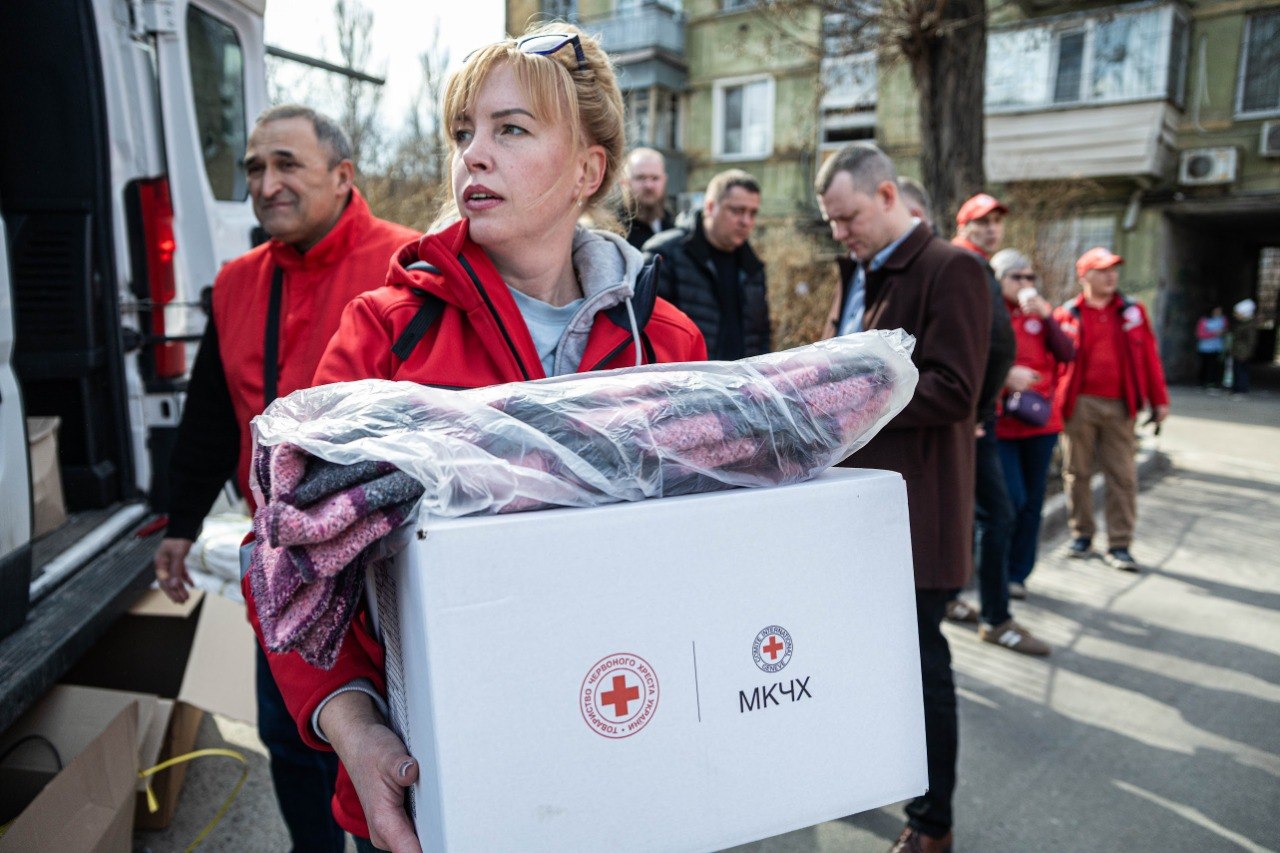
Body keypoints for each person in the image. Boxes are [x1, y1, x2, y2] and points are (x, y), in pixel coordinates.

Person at [245, 26, 706, 853]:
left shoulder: (667, 345)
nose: (474, 156)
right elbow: (284, 555)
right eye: (464, 132)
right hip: (441, 784)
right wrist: (354, 730)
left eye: (511, 130)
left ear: (588, 171)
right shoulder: (386, 335)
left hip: (623, 750)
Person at [152, 105, 420, 852]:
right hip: (278, 581)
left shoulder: (412, 266)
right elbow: (212, 416)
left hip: (384, 582)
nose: (267, 184)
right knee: (293, 751)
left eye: (286, 165)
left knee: (393, 774)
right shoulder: (237, 283)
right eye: (254, 169)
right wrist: (179, 524)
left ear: (342, 177)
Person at [816, 142, 990, 853]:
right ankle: (868, 778)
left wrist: (847, 390)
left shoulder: (952, 268)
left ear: (888, 196)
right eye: (829, 222)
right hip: (858, 511)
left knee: (922, 668)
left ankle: (931, 821)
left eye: (848, 216)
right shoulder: (859, 269)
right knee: (868, 665)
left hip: (917, 517)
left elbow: (954, 387)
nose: (840, 232)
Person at [1055, 248, 1169, 571]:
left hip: (1120, 405)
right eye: (1102, 270)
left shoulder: (1132, 312)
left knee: (1122, 475)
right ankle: (1082, 535)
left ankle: (1119, 544)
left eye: (1114, 270)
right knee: (1077, 472)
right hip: (1079, 405)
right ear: (1084, 275)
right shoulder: (1067, 313)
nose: (1111, 276)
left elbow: (1149, 357)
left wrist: (1159, 400)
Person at [943, 195, 1019, 655]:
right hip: (972, 416)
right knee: (997, 514)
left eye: (996, 223)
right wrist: (976, 409)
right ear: (964, 225)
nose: (992, 230)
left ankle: (952, 598)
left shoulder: (967, 265)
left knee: (963, 509)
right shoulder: (968, 267)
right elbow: (991, 345)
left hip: (968, 411)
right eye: (982, 222)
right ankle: (995, 616)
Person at [991, 249, 1074, 607]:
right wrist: (1007, 378)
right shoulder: (993, 315)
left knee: (1033, 502)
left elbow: (1068, 353)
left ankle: (1017, 574)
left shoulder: (1042, 314)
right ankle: (994, 569)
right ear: (999, 281)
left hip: (1040, 423)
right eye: (1016, 278)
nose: (1025, 284)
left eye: (1029, 278)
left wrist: (1048, 317)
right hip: (1003, 422)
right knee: (1011, 498)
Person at [644, 169, 771, 359]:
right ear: (710, 207)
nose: (746, 221)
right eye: (737, 211)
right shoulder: (665, 254)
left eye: (753, 213)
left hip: (741, 384)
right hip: (685, 383)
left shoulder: (752, 266)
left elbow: (761, 334)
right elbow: (649, 333)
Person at [619, 146, 674, 250]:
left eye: (655, 178)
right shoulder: (613, 232)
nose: (649, 185)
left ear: (664, 180)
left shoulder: (674, 227)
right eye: (640, 178)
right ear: (624, 182)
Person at [1228, 298, 1258, 396]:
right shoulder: (1242, 323)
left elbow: (1250, 341)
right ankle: (1236, 388)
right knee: (1236, 370)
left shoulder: (1249, 325)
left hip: (1243, 351)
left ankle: (1241, 389)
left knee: (1242, 371)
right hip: (1237, 350)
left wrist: (1247, 352)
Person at [1195, 306, 1227, 389]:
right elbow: (1200, 333)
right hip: (1205, 346)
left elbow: (1226, 331)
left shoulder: (1223, 320)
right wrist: (1213, 334)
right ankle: (1202, 381)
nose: (1218, 313)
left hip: (1217, 346)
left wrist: (1222, 333)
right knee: (1205, 365)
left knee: (1215, 365)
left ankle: (1212, 382)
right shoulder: (1204, 320)